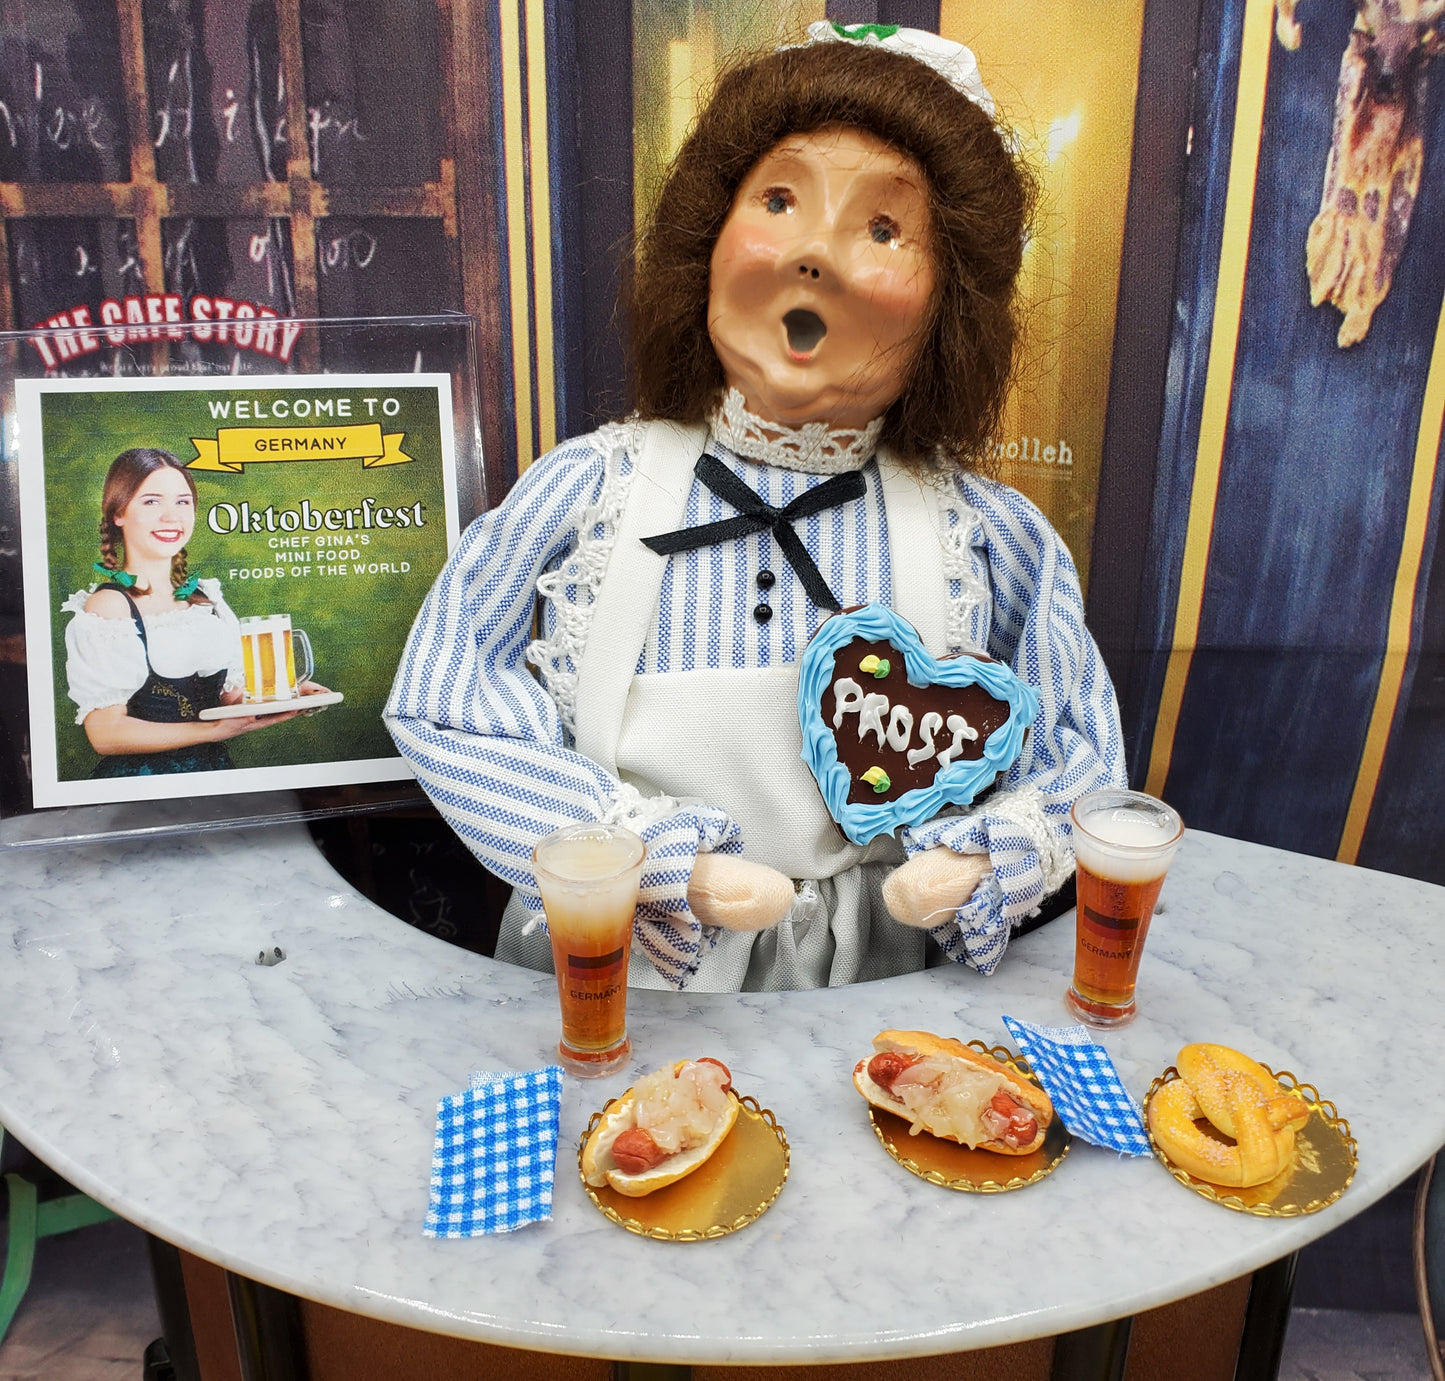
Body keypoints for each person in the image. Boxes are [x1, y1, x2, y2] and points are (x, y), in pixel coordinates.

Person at [385, 23, 1126, 991]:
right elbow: (448, 703)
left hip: (886, 970)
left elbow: (1079, 743)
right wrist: (646, 858)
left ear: (949, 304)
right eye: (778, 200)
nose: (813, 251)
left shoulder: (979, 532)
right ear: (707, 239)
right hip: (631, 959)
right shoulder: (592, 490)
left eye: (882, 228)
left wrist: (983, 857)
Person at [63, 447, 310, 776]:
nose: (172, 516)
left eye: (182, 502)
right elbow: (106, 734)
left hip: (213, 775)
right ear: (118, 512)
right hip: (141, 787)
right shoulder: (109, 607)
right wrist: (213, 731)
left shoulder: (205, 597)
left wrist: (289, 695)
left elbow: (231, 698)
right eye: (151, 501)